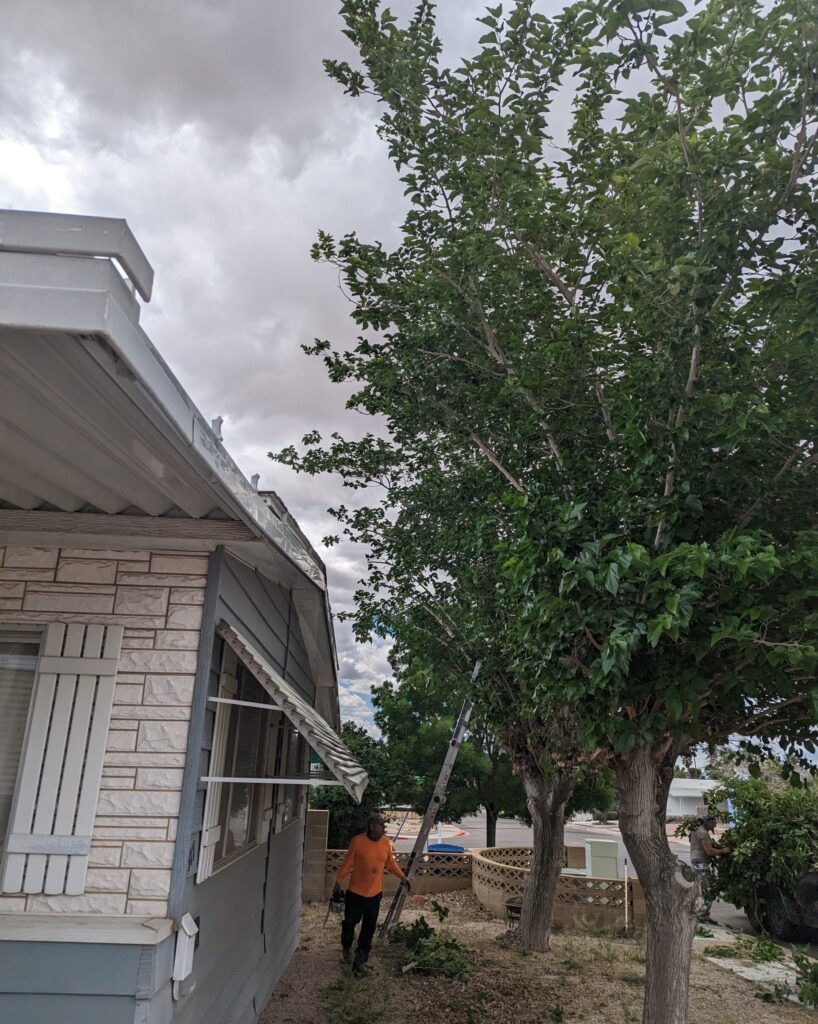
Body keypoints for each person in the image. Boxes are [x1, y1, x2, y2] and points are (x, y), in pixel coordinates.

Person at [333, 813, 410, 974]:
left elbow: (390, 863)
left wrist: (402, 877)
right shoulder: (358, 842)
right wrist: (338, 881)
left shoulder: (385, 844)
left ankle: (360, 961)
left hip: (374, 894)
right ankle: (346, 946)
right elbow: (348, 863)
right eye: (381, 825)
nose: (384, 828)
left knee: (368, 929)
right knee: (349, 922)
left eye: (384, 825)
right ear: (372, 826)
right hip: (355, 892)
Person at [689, 815, 730, 924]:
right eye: (713, 823)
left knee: (701, 890)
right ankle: (702, 916)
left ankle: (701, 915)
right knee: (710, 890)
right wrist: (723, 851)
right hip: (701, 863)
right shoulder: (703, 833)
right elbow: (710, 852)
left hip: (696, 862)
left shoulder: (696, 831)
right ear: (707, 822)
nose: (715, 825)